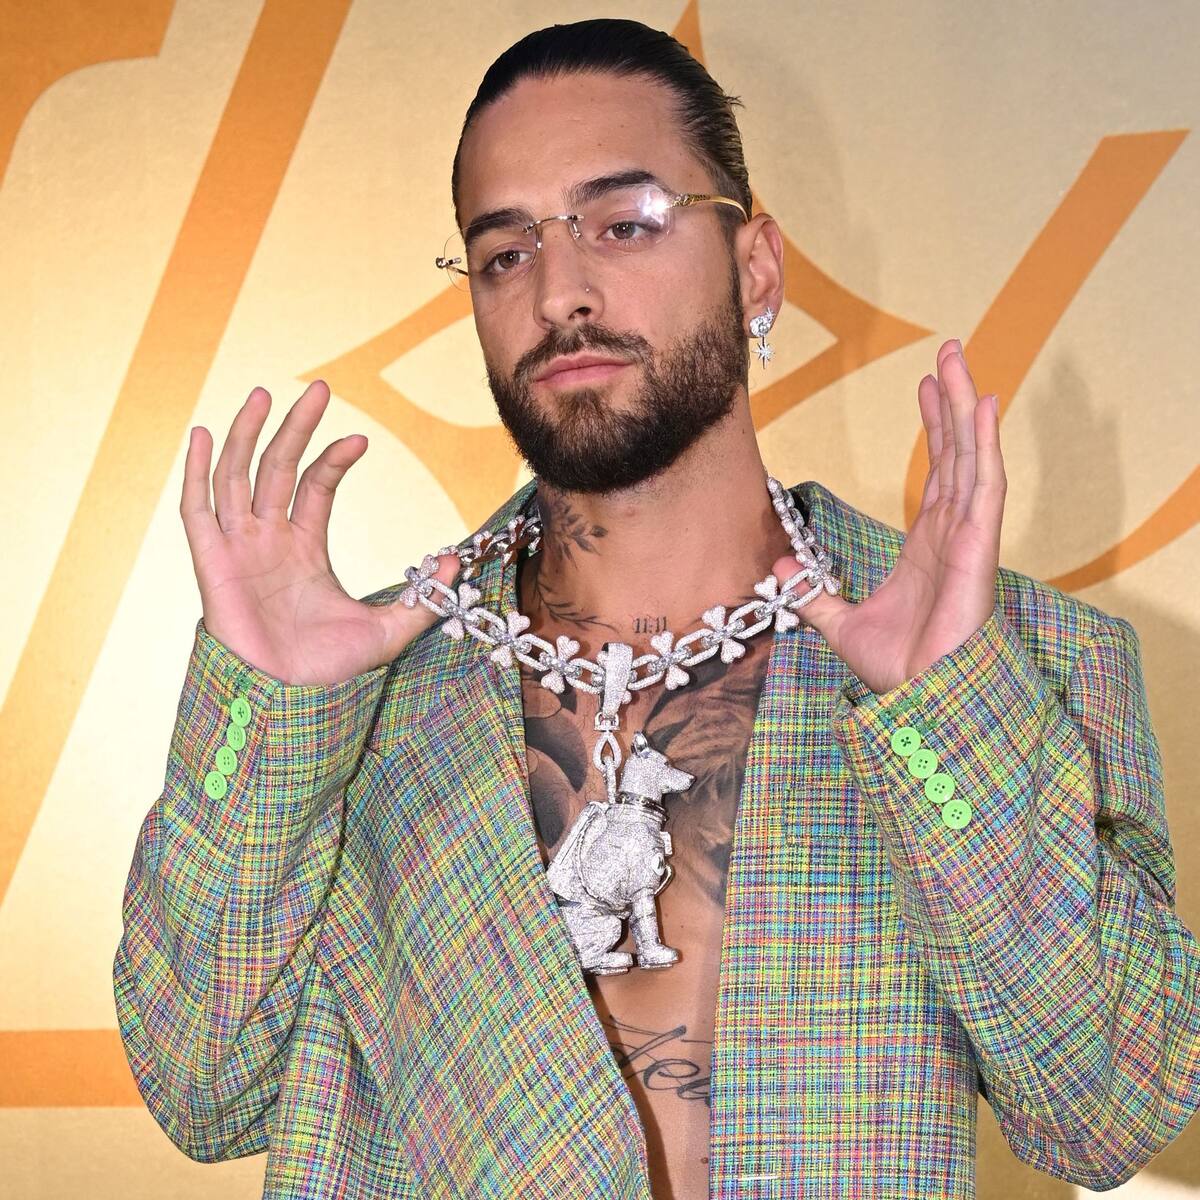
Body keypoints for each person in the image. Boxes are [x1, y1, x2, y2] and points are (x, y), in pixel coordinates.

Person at [113, 18, 1200, 1200]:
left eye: (624, 223)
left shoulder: (1016, 665)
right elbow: (203, 1090)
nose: (561, 292)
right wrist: (276, 727)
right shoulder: (350, 699)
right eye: (505, 252)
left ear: (755, 268)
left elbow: (1112, 1111)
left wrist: (949, 710)